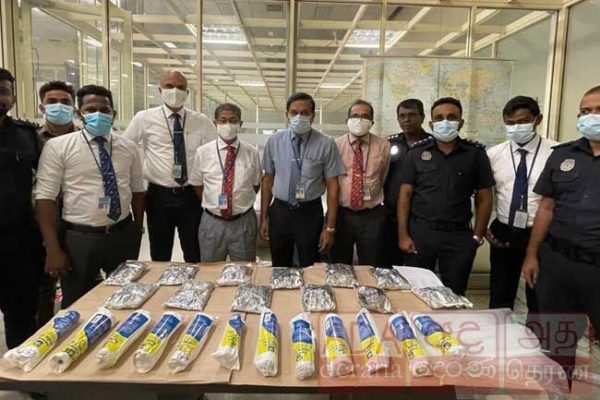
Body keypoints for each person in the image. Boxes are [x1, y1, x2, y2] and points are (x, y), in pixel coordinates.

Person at [36, 84, 145, 308]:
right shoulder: (58, 147)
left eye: (105, 110)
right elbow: (45, 199)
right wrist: (53, 249)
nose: (98, 114)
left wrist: (136, 229)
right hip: (80, 239)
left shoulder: (129, 147)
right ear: (79, 113)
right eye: (90, 110)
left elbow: (137, 190)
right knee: (77, 304)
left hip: (121, 234)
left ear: (114, 114)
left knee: (126, 299)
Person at [522, 86, 600, 383]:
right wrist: (532, 254)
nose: (591, 116)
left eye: (599, 110)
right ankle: (558, 388)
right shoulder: (563, 155)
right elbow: (546, 207)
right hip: (558, 262)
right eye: (585, 111)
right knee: (557, 340)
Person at [398, 97, 494, 295]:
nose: (445, 122)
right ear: (431, 123)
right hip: (421, 234)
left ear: (461, 122)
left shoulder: (475, 154)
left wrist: (477, 236)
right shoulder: (416, 153)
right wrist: (403, 235)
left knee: (455, 294)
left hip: (458, 237)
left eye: (451, 117)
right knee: (417, 293)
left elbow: (484, 196)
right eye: (439, 118)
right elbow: (405, 196)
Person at [123, 71, 216, 262]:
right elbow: (124, 149)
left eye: (180, 87)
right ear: (160, 90)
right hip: (159, 196)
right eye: (169, 86)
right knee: (160, 253)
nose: (175, 91)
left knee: (194, 252)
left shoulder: (201, 121)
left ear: (187, 93)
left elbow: (215, 152)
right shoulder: (144, 118)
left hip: (191, 195)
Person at [486, 96, 557, 311]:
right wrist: (488, 225)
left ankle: (535, 331)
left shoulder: (556, 153)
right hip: (504, 231)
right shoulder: (493, 154)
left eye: (523, 121)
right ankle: (499, 330)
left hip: (541, 232)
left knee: (538, 296)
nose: (517, 127)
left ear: (538, 119)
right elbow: (486, 194)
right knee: (500, 294)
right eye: (511, 123)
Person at [260, 92, 345, 268]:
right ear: (287, 115)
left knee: (310, 265)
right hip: (280, 211)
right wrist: (264, 218)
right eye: (294, 112)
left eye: (305, 113)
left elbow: (333, 186)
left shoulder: (326, 143)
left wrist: (329, 228)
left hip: (309, 213)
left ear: (313, 116)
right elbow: (267, 180)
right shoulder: (274, 141)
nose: (299, 117)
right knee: (279, 265)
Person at [0, 68, 44, 348]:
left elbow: (47, 184)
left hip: (19, 239)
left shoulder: (27, 136)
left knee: (22, 312)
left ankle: (21, 364)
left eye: (3, 92)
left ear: (13, 98)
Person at [189, 103, 261, 262]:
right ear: (215, 123)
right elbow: (197, 185)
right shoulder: (203, 152)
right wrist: (214, 203)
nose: (228, 125)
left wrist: (236, 201)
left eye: (233, 120)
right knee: (210, 270)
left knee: (244, 270)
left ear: (240, 124)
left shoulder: (251, 152)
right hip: (212, 222)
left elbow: (256, 185)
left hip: (243, 222)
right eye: (223, 120)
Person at [36, 80, 78, 326]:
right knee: (44, 285)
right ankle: (43, 332)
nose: (59, 106)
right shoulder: (31, 139)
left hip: (78, 223)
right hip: (42, 220)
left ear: (74, 107)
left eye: (65, 102)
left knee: (79, 282)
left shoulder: (88, 139)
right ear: (41, 106)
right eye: (52, 102)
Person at [332, 99, 390, 268]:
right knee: (340, 264)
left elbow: (384, 176)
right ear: (347, 120)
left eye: (365, 116)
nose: (359, 120)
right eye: (355, 116)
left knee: (371, 264)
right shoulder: (336, 145)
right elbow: (331, 180)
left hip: (372, 215)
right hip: (342, 214)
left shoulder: (384, 145)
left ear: (372, 122)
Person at [384, 99, 430, 267]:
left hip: (420, 219)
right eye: (402, 116)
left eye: (412, 115)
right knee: (389, 266)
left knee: (416, 268)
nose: (406, 120)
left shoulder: (432, 145)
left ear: (422, 117)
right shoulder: (389, 144)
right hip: (390, 217)